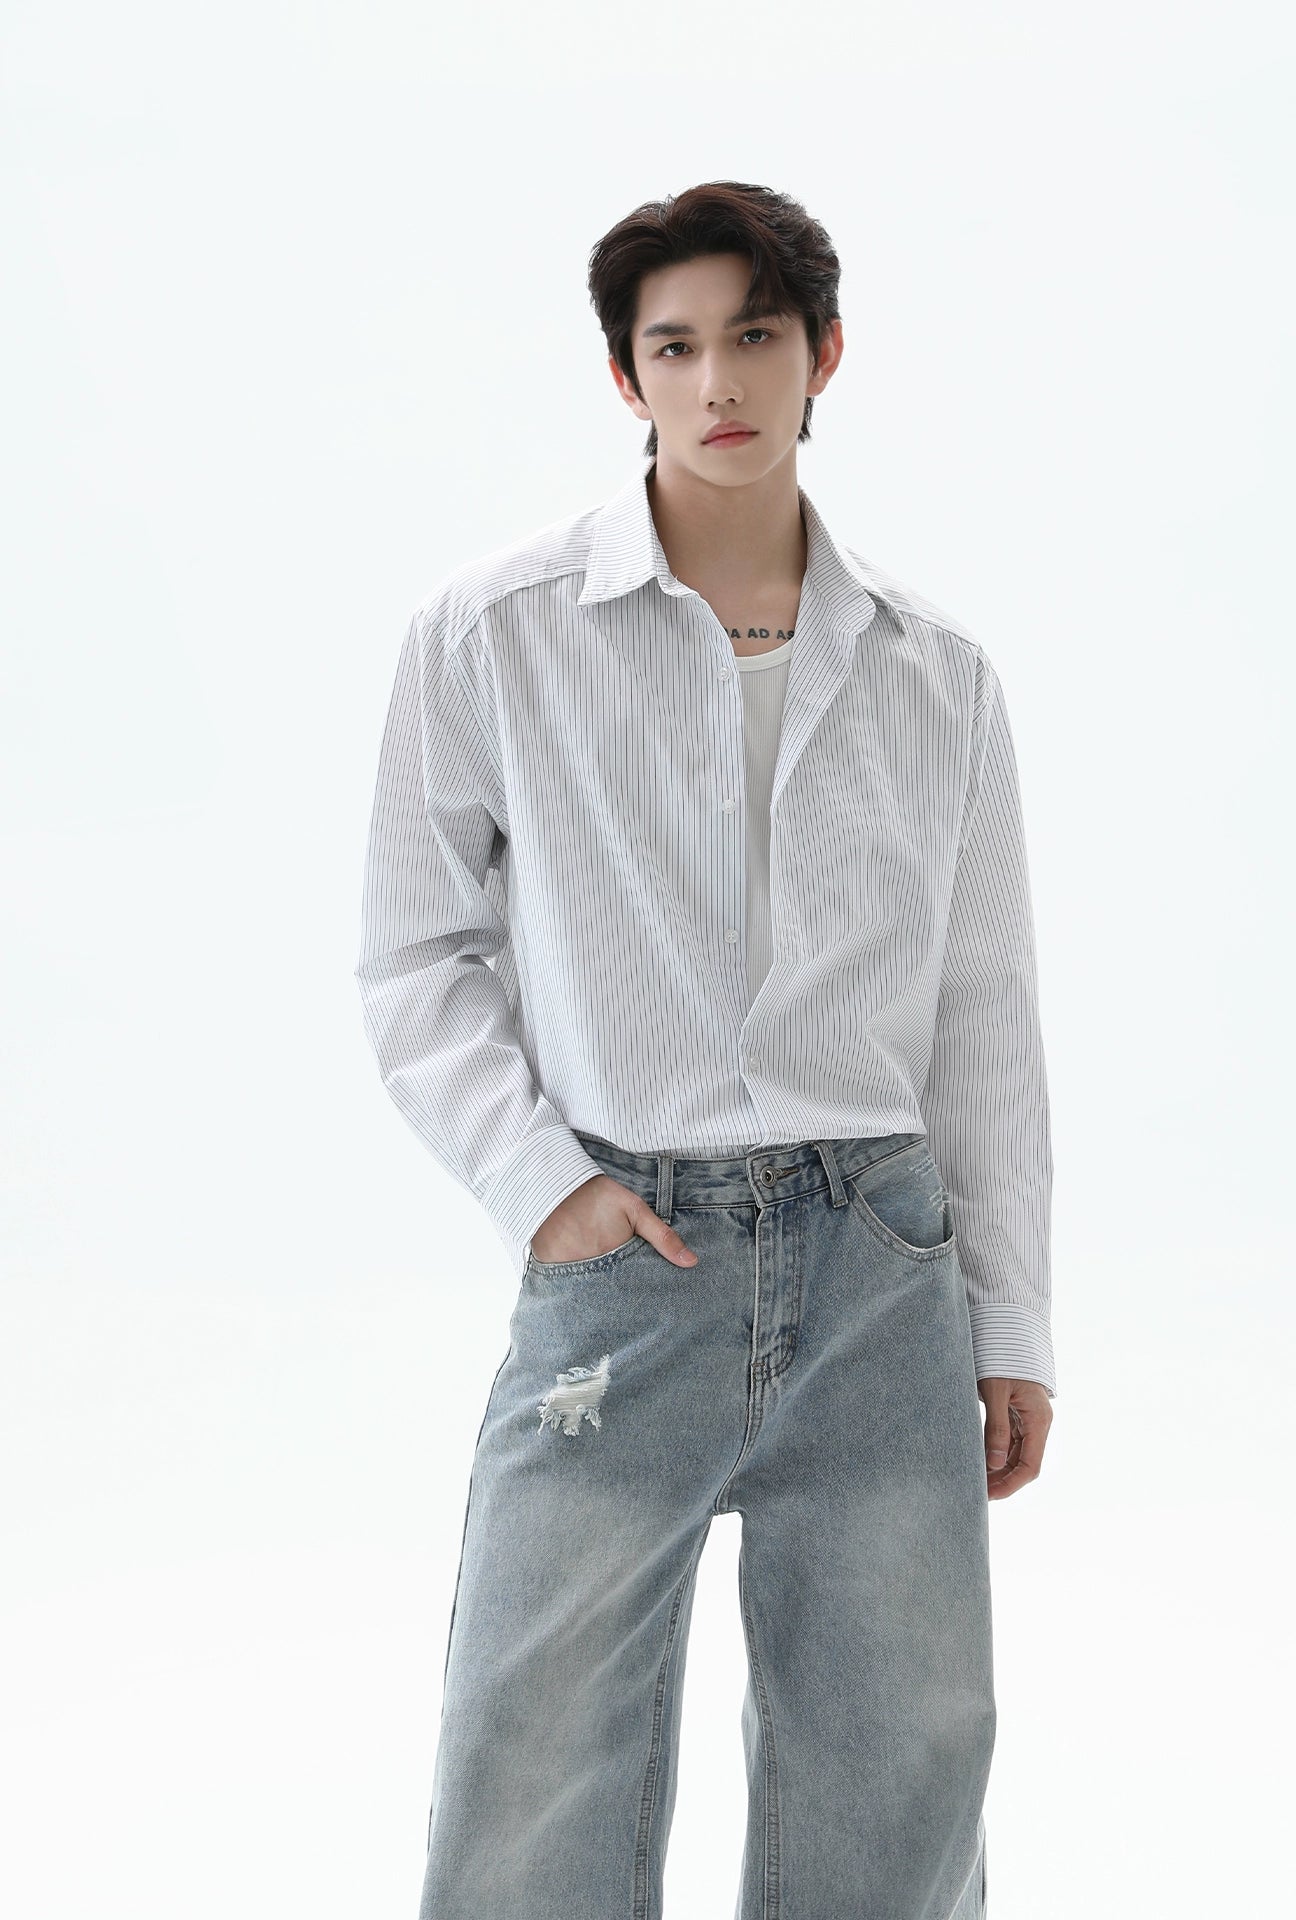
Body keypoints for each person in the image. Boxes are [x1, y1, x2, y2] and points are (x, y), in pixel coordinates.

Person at [354, 179, 1056, 1920]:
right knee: (530, 1758)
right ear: (625, 377)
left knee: (895, 1763)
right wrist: (545, 1188)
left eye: (755, 335)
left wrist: (1014, 1324)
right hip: (623, 1253)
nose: (718, 381)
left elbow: (983, 1013)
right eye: (673, 347)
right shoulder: (496, 631)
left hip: (881, 1257)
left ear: (826, 354)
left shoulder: (938, 672)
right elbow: (416, 954)